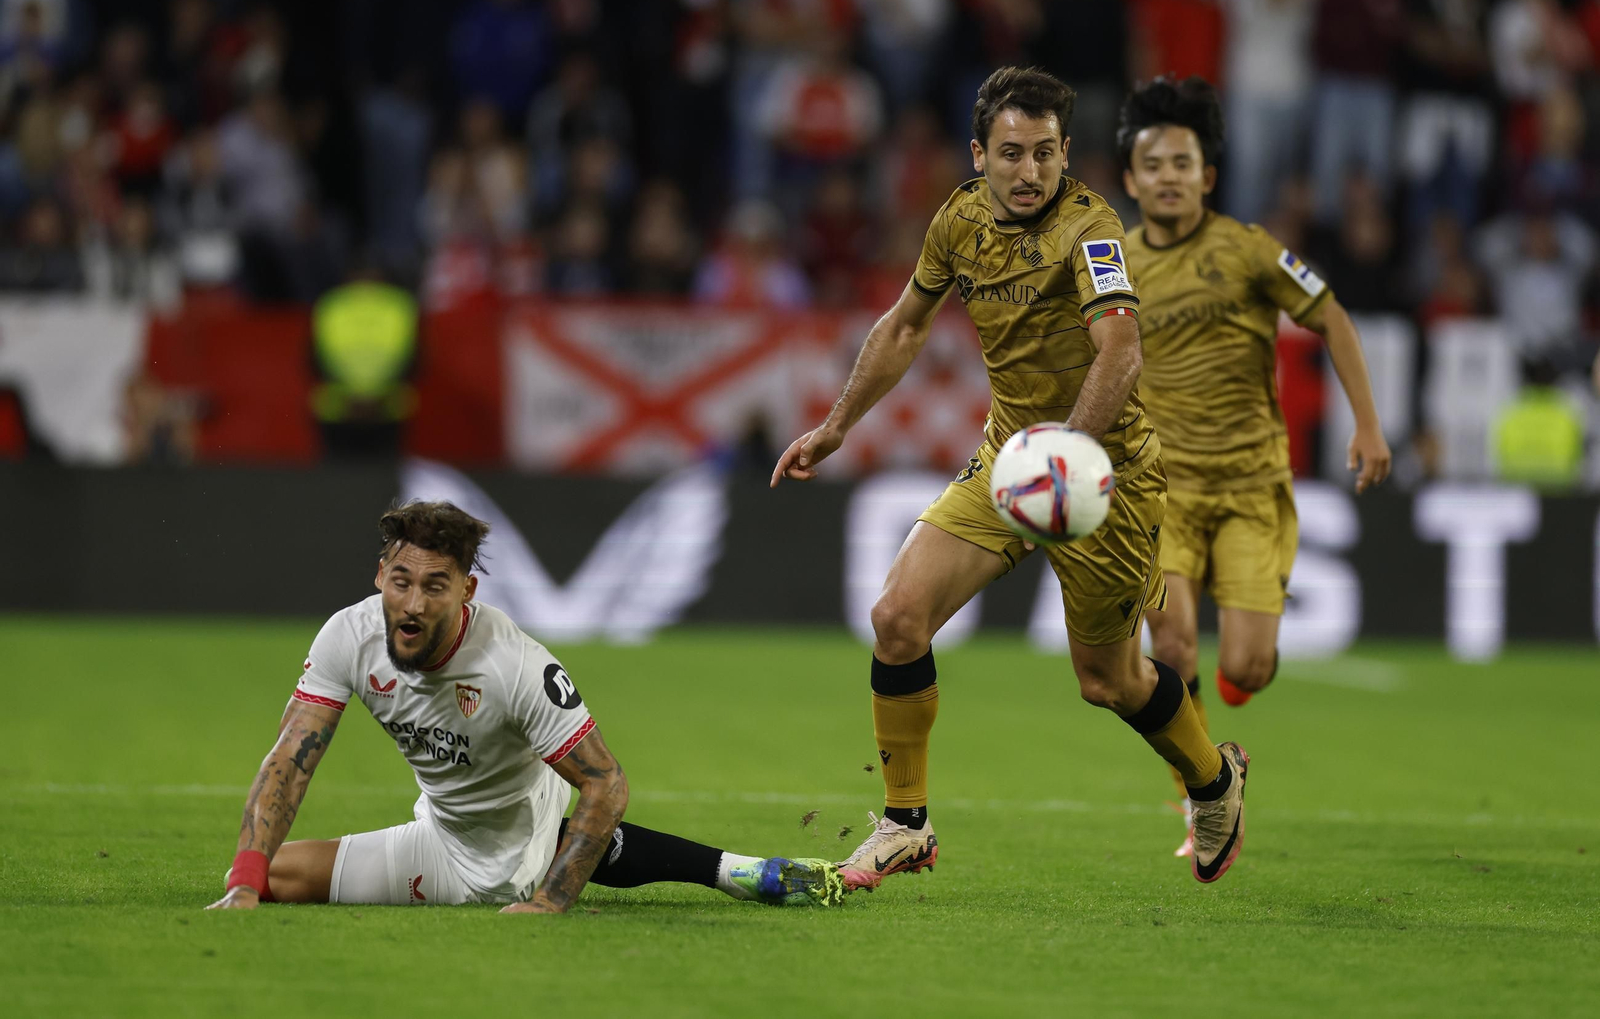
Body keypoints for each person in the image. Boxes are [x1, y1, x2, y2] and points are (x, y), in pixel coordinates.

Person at [772, 66, 1248, 887]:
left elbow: (1121, 351)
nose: (1030, 172)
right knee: (896, 617)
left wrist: (1067, 452)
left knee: (1108, 680)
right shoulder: (957, 218)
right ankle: (904, 823)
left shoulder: (1090, 231)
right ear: (979, 154)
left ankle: (1214, 781)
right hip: (1009, 459)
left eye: (1047, 154)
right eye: (1012, 153)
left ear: (1067, 154)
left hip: (1105, 477)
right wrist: (837, 424)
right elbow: (904, 326)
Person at [206, 501, 844, 912]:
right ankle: (739, 871)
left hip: (515, 853)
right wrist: (241, 883)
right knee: (271, 877)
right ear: (380, 576)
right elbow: (289, 762)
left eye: (435, 586)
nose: (414, 604)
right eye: (401, 582)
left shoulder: (514, 664)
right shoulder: (349, 635)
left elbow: (606, 782)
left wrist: (551, 900)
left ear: (467, 589)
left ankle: (727, 871)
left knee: (564, 837)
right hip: (439, 831)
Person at [1117, 76, 1390, 855]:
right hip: (1161, 486)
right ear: (1131, 181)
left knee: (1249, 665)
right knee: (1168, 642)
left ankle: (1235, 688)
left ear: (1207, 176)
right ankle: (1203, 797)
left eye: (1184, 162)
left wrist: (1367, 424)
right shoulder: (1114, 264)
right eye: (1153, 163)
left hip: (1249, 488)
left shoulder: (1248, 249)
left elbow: (1331, 315)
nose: (1169, 175)